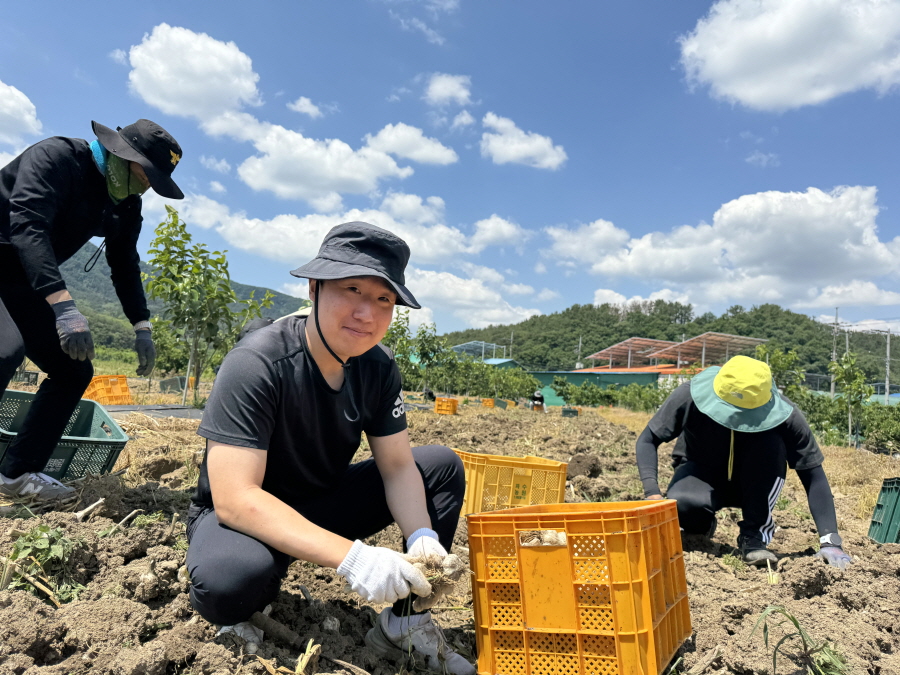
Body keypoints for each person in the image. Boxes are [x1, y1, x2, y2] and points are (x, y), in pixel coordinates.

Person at [185, 222, 473, 674]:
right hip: (244, 519)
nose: (367, 313)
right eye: (352, 290)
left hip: (322, 501)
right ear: (315, 288)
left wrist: (422, 538)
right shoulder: (258, 362)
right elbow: (236, 499)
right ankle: (247, 602)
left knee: (439, 466)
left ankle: (404, 623)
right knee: (228, 585)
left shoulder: (378, 369)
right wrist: (353, 559)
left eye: (384, 300)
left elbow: (397, 468)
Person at [0, 119, 183, 502]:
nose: (148, 185)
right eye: (146, 174)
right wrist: (64, 307)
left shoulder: (125, 203)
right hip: (10, 260)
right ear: (122, 154)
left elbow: (125, 265)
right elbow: (27, 227)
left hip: (23, 282)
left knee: (73, 369)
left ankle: (16, 474)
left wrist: (142, 325)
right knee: (5, 350)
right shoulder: (58, 157)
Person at [636, 355, 851, 570]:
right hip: (701, 473)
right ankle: (699, 527)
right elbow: (648, 439)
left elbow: (813, 474)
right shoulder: (689, 395)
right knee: (684, 503)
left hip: (756, 481)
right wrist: (652, 494)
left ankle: (753, 537)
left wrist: (830, 540)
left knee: (772, 444)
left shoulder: (788, 416)